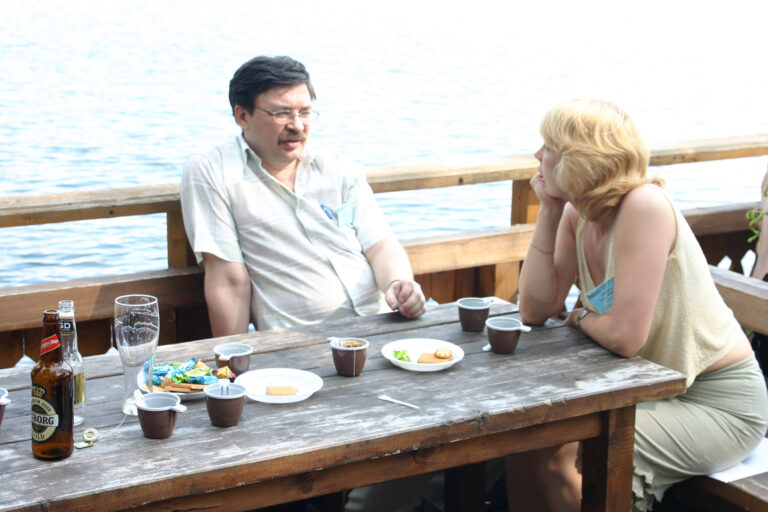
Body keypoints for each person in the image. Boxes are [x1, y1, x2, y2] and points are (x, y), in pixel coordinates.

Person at [513, 99, 768, 511]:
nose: (537, 155)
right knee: (525, 434)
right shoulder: (579, 214)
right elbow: (535, 309)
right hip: (648, 389)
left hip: (715, 401)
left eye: (549, 147)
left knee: (566, 446)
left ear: (581, 159)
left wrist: (582, 317)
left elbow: (624, 336)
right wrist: (549, 210)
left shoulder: (643, 205)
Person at [180, 55, 426, 337]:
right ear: (242, 116)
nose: (297, 125)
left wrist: (398, 283)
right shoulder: (213, 169)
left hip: (383, 323)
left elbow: (380, 245)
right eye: (282, 113)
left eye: (305, 112)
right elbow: (228, 280)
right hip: (301, 342)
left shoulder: (337, 168)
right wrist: (234, 359)